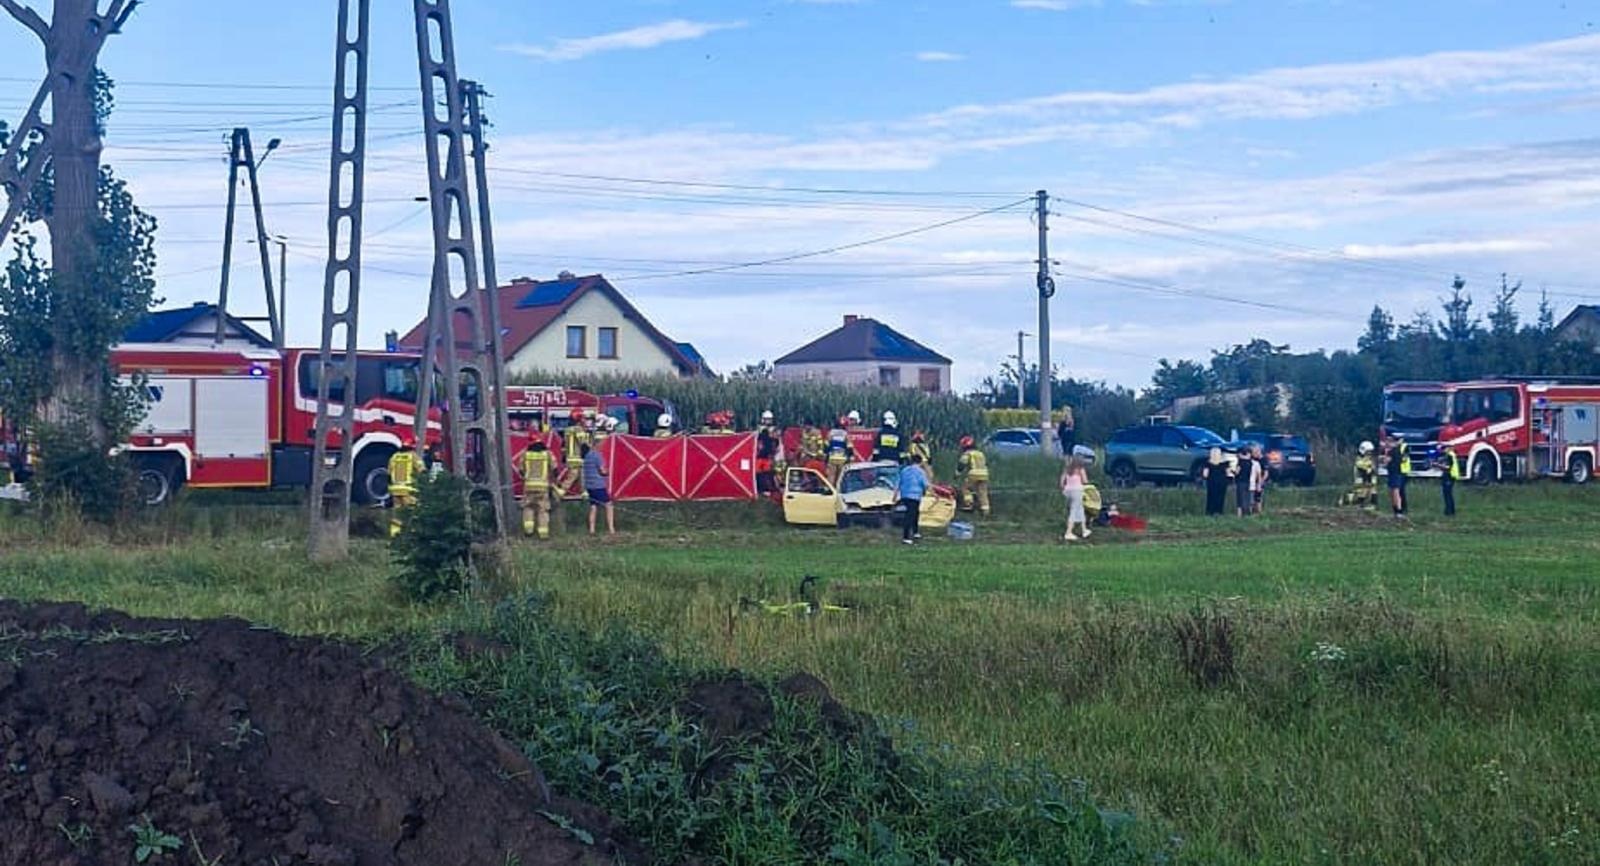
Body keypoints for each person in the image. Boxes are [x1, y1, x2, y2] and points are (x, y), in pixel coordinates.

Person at [519, 440, 554, 539]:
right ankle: (543, 534)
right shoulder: (547, 454)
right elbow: (554, 468)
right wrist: (552, 479)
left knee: (528, 507)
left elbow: (520, 469)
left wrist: (524, 478)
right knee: (542, 510)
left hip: (529, 486)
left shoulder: (525, 454)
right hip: (542, 487)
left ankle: (528, 531)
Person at [386, 444, 419, 539]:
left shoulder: (394, 457)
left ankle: (395, 536)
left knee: (397, 516)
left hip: (396, 491)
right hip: (409, 491)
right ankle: (413, 536)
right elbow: (422, 470)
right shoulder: (413, 456)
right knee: (412, 514)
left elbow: (388, 474)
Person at [582, 442, 614, 535]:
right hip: (598, 485)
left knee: (593, 506)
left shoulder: (586, 457)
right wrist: (608, 472)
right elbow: (602, 470)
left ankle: (592, 530)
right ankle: (611, 529)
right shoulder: (597, 455)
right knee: (609, 505)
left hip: (589, 486)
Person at [898, 453, 929, 545]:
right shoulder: (920, 471)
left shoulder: (904, 470)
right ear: (920, 462)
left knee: (914, 513)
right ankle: (906, 537)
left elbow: (899, 482)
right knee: (911, 515)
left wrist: (895, 495)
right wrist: (933, 493)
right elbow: (925, 484)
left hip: (905, 495)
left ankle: (915, 532)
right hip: (915, 495)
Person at [956, 435, 991, 516]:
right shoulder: (980, 453)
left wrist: (957, 473)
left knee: (965, 488)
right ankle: (986, 510)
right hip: (985, 473)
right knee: (983, 492)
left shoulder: (968, 453)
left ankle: (969, 505)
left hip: (973, 473)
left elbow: (962, 463)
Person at [1061, 455, 1091, 542]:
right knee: (1074, 511)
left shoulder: (1067, 469)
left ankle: (1084, 529)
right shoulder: (1080, 469)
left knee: (1080, 509)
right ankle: (1068, 532)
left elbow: (1062, 482)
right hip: (1077, 491)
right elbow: (1085, 481)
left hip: (1068, 491)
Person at [1382, 434, 1410, 518]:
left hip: (1394, 473)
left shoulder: (1392, 451)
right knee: (1394, 492)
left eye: (1389, 441)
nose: (1387, 443)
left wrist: (1385, 455)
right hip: (1396, 472)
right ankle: (1397, 510)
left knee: (1395, 492)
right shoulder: (1398, 449)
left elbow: (1385, 462)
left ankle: (1398, 510)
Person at [1344, 440, 1378, 508]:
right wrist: (1369, 471)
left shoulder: (1370, 459)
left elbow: (1373, 468)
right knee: (1361, 491)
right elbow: (1362, 469)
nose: (1370, 453)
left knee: (1373, 490)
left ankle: (1373, 504)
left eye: (1370, 451)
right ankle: (1358, 503)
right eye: (1368, 451)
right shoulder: (1359, 460)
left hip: (1370, 479)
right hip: (1362, 478)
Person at [1202, 446, 1232, 516]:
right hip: (1222, 482)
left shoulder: (1208, 463)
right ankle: (1219, 511)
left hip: (1211, 482)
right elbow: (1228, 473)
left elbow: (1205, 474)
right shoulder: (1225, 463)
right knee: (1220, 497)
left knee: (1211, 497)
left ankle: (1210, 512)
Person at [825, 418, 851, 485]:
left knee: (831, 476)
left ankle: (830, 491)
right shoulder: (845, 434)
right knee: (840, 478)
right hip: (842, 459)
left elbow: (826, 446)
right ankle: (838, 492)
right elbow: (849, 447)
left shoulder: (830, 433)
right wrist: (850, 457)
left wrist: (826, 457)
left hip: (832, 458)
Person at [1234, 446, 1258, 517]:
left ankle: (1240, 514)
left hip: (1240, 481)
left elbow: (1237, 472)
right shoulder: (1250, 462)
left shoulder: (1240, 463)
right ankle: (1248, 512)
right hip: (1247, 481)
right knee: (1247, 497)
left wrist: (1233, 472)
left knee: (1240, 498)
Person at [1438, 447, 1461, 517]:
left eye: (1444, 448)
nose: (1443, 450)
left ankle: (1449, 512)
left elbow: (1448, 467)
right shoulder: (1451, 455)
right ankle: (1450, 511)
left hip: (1449, 476)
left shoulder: (1450, 455)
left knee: (1448, 495)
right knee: (1448, 494)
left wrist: (1438, 465)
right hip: (1449, 476)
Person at [1249, 443, 1268, 515]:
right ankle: (1253, 512)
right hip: (1253, 481)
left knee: (1258, 498)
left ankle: (1259, 512)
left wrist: (1261, 482)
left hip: (1260, 481)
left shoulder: (1263, 460)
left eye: (1253, 452)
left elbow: (1266, 473)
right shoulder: (1253, 459)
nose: (1252, 454)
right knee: (1252, 498)